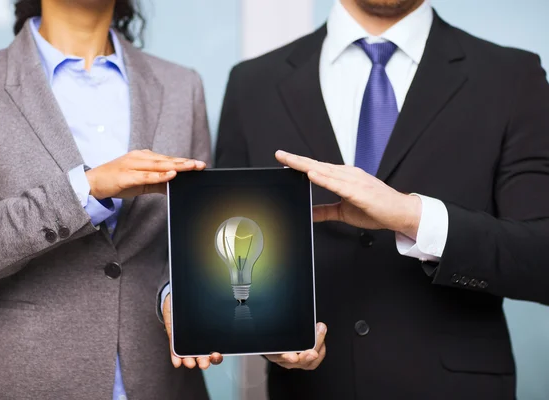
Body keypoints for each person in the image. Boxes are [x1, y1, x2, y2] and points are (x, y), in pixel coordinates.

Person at [216, 0, 549, 398]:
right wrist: (267, 335)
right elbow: (229, 249)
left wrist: (415, 218)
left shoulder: (511, 77)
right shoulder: (252, 83)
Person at [0, 0, 221, 399]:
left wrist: (174, 294)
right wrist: (88, 189)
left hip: (162, 380)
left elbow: (195, 236)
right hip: (23, 377)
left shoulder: (182, 85)